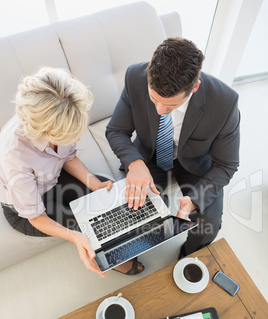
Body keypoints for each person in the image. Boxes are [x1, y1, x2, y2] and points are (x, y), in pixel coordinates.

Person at [0, 67, 144, 276]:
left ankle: (125, 239)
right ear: (46, 132)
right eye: (69, 136)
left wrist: (94, 183)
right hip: (24, 211)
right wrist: (75, 237)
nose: (76, 140)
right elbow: (35, 217)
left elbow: (67, 157)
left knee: (104, 191)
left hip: (52, 178)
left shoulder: (60, 117)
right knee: (82, 225)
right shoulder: (15, 158)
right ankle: (116, 258)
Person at [106, 37, 240, 258]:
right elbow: (116, 131)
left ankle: (186, 255)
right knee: (131, 213)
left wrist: (195, 200)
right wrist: (135, 163)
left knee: (209, 226)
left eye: (170, 105)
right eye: (153, 99)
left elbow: (227, 164)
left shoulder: (225, 103)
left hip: (196, 165)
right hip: (149, 156)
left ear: (194, 87)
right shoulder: (134, 77)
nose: (159, 110)